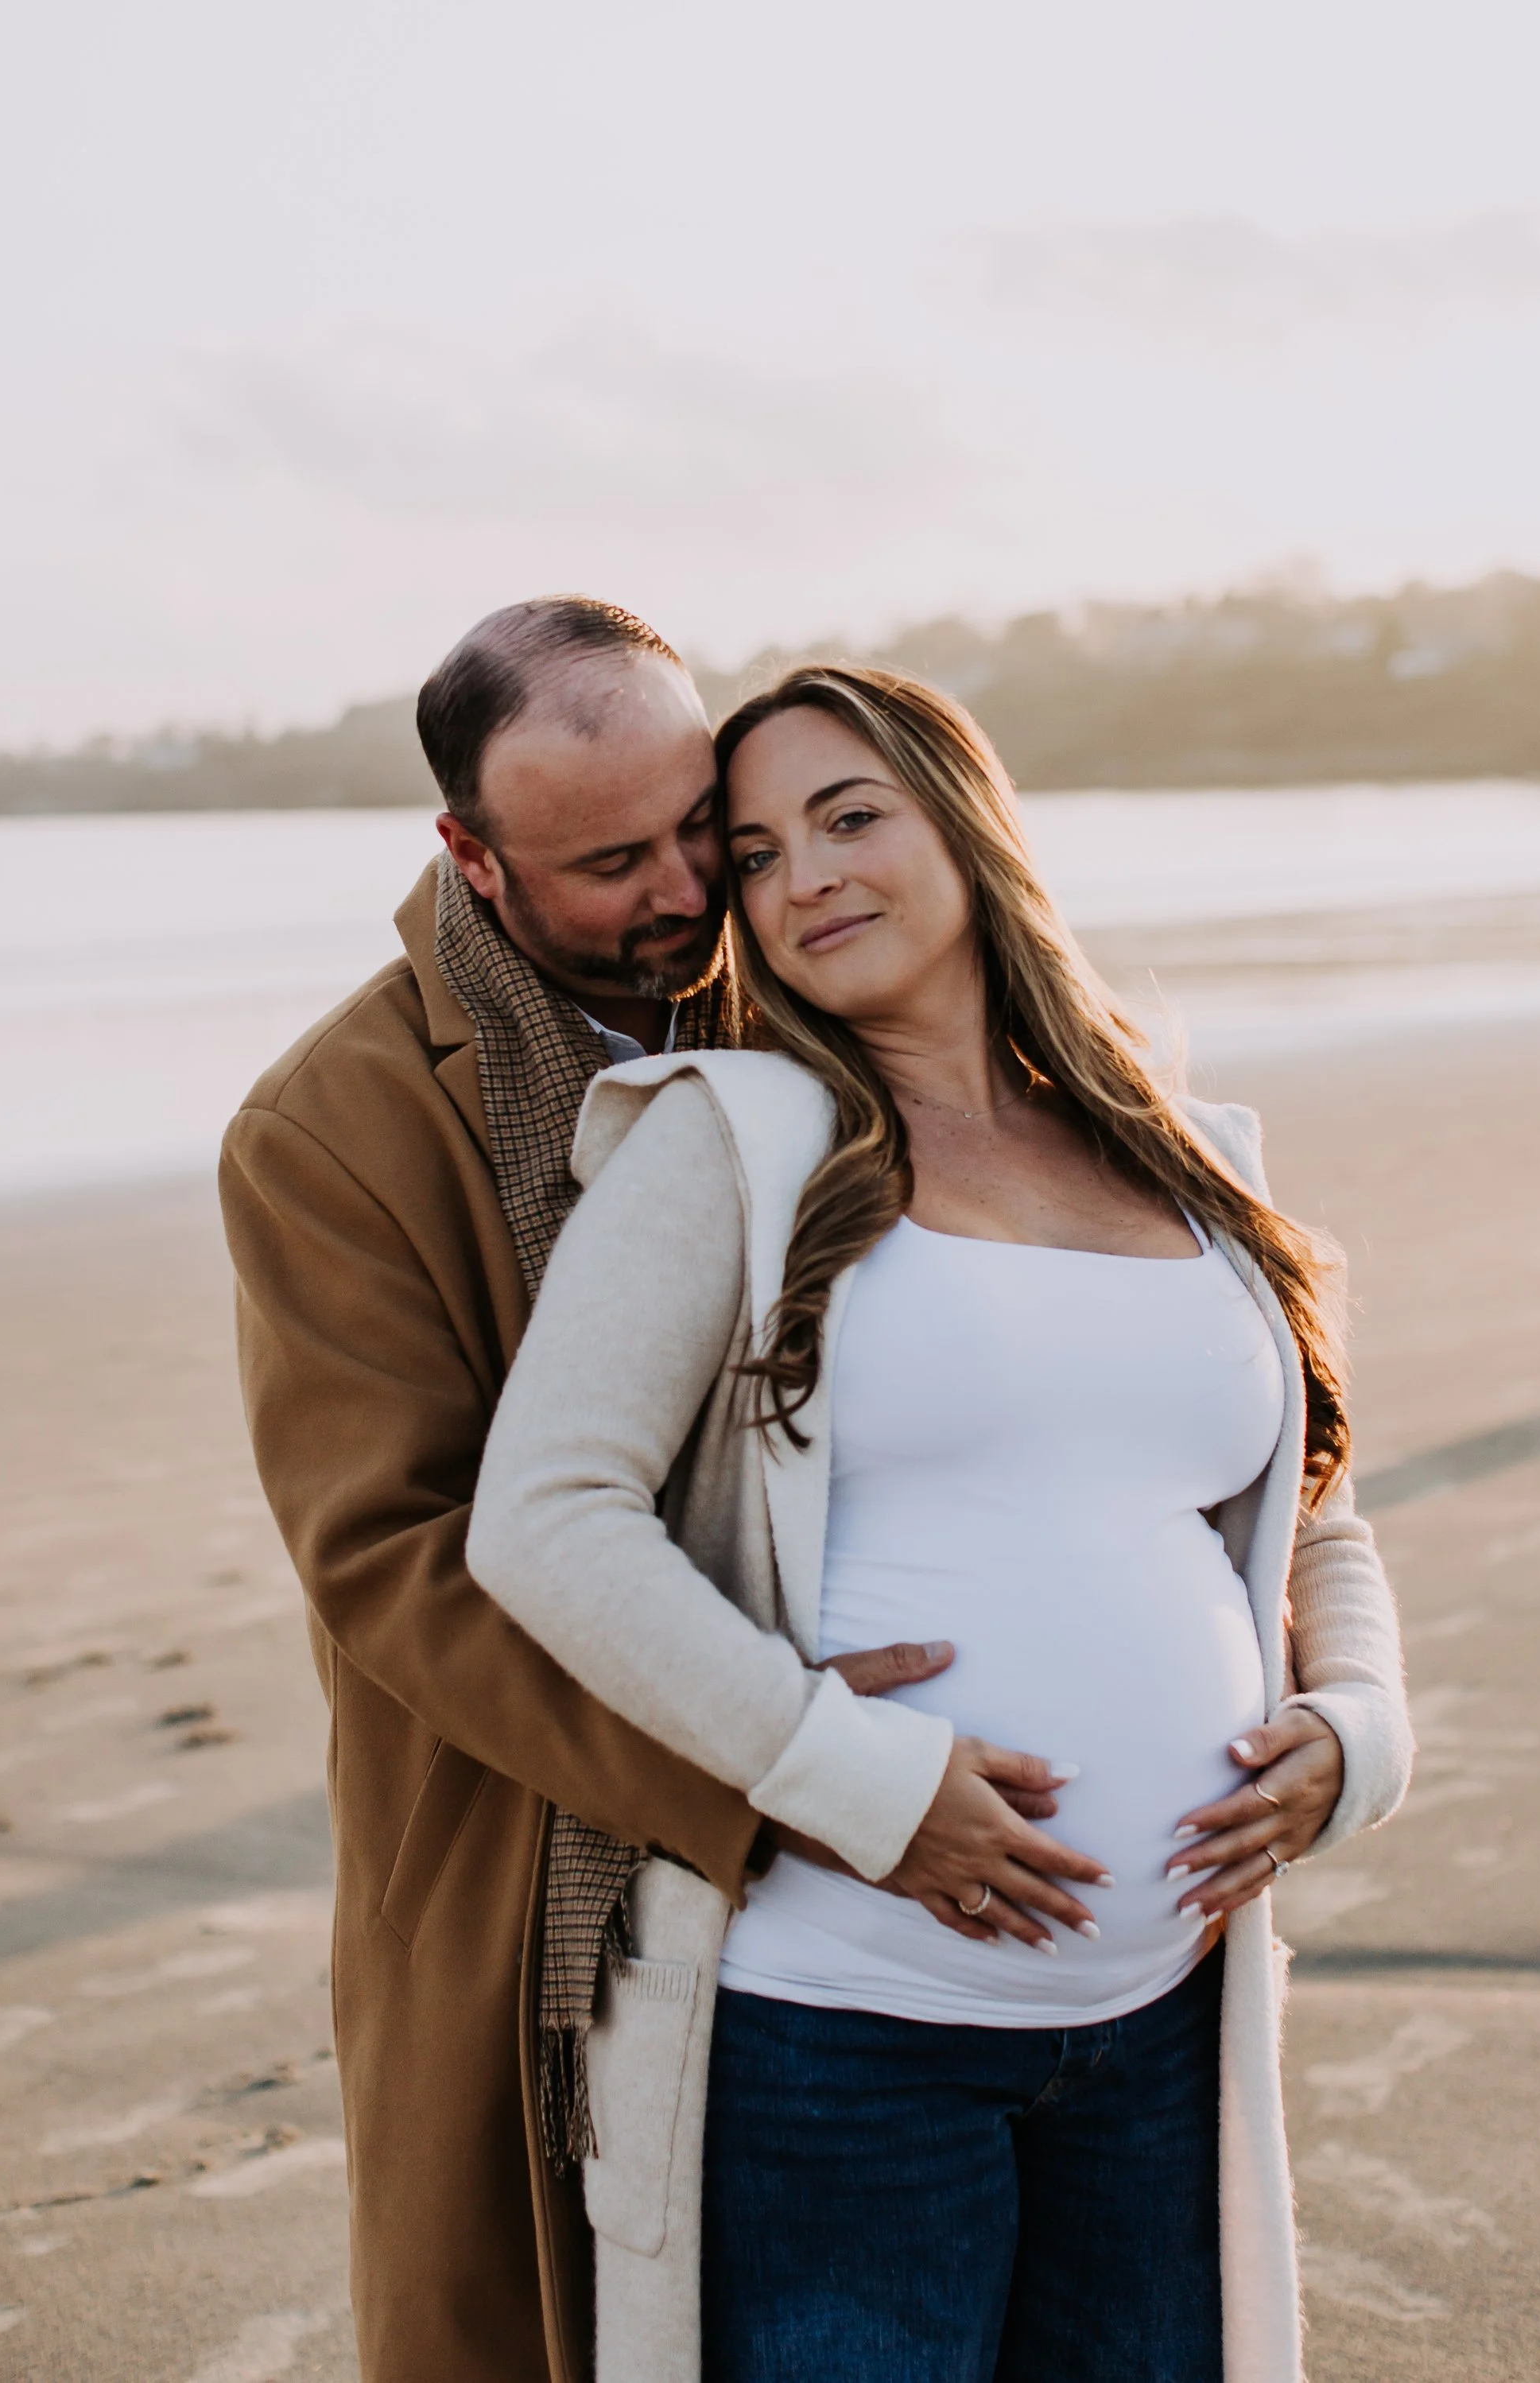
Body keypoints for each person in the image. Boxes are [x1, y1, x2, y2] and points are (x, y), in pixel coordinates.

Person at [466, 662, 1414, 2383]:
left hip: (1164, 2027)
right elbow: (544, 1516)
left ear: (966, 829)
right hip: (843, 2036)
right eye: (752, 855)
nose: (803, 877)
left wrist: (1361, 1729)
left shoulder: (1187, 1158)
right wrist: (852, 1775)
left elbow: (1310, 1510)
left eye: (849, 818)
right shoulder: (739, 1142)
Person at [219, 599, 964, 2383]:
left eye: (704, 826)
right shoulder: (326, 1131)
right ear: (470, 860)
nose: (685, 891)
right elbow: (393, 1561)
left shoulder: (811, 992)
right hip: (529, 1847)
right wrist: (761, 1748)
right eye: (608, 862)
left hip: (885, 1862)